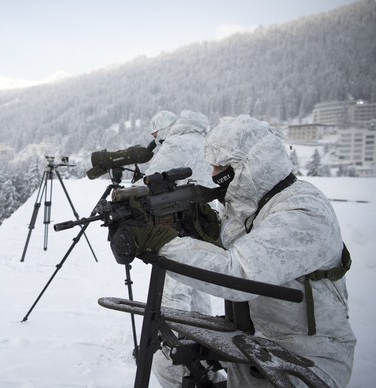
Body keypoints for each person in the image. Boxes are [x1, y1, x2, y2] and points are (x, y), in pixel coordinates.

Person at [115, 115, 357, 387]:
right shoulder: (253, 205)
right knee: (170, 364)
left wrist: (161, 241)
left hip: (310, 353)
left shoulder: (303, 211)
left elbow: (239, 274)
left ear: (250, 165)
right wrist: (200, 230)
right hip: (255, 335)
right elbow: (236, 249)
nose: (214, 174)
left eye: (220, 165)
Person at [142, 109, 220, 387]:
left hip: (179, 227)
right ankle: (208, 356)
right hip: (208, 227)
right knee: (199, 289)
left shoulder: (176, 144)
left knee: (173, 295)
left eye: (155, 134)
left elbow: (147, 183)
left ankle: (178, 369)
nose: (154, 139)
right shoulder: (206, 141)